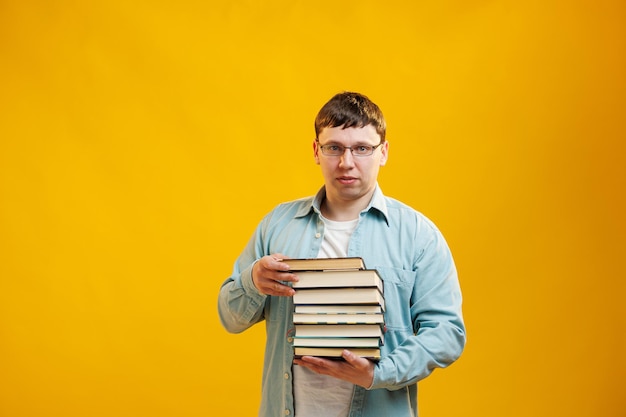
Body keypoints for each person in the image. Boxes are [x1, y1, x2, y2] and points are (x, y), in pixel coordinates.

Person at [218, 91, 466, 417]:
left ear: (384, 152)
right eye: (334, 147)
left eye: (362, 149)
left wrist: (380, 373)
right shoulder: (277, 224)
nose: (346, 162)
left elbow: (447, 333)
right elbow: (229, 317)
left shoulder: (419, 235)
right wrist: (252, 280)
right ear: (316, 151)